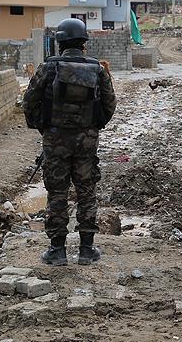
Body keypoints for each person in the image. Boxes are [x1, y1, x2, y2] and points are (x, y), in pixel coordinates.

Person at [23, 18, 116, 266]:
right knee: (87, 193)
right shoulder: (98, 70)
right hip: (87, 142)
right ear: (84, 43)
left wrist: (43, 127)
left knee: (57, 193)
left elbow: (29, 102)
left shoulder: (48, 68)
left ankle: (57, 250)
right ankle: (87, 249)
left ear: (60, 43)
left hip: (55, 140)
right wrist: (93, 127)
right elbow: (109, 105)